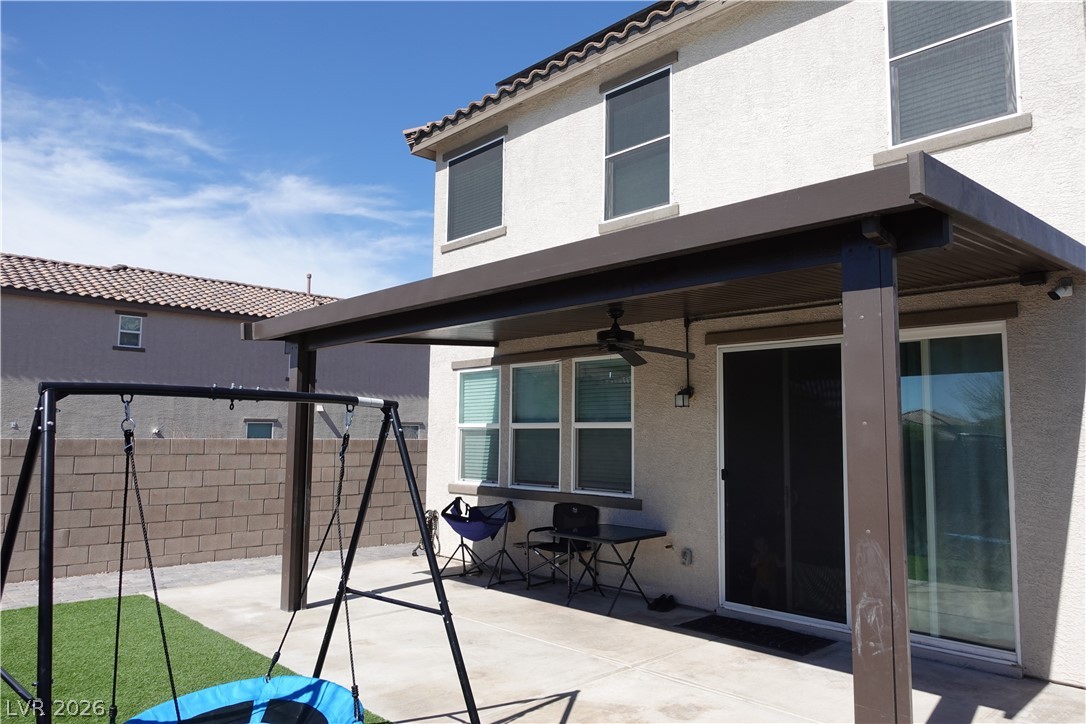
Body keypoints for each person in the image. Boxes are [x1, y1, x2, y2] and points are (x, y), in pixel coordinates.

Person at [750, 536, 781, 608]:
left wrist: (788, 562)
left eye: (765, 544)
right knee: (755, 594)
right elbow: (751, 565)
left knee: (773, 597)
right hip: (759, 580)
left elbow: (779, 564)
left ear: (768, 545)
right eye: (759, 545)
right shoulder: (756, 556)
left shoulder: (773, 555)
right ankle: (755, 607)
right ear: (755, 547)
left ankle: (774, 609)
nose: (763, 547)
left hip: (771, 581)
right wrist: (756, 562)